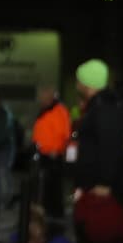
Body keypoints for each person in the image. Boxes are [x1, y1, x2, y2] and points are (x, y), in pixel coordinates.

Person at [70, 58, 123, 243]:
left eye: (79, 79)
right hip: (93, 184)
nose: (76, 83)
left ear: (87, 83)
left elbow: (108, 149)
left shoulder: (104, 108)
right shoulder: (101, 105)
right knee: (92, 240)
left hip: (100, 187)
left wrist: (103, 183)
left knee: (100, 241)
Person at [32, 85, 73, 220]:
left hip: (52, 156)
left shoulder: (59, 111)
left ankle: (55, 214)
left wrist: (57, 150)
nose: (39, 99)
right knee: (44, 186)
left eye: (42, 96)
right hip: (43, 153)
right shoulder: (46, 110)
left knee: (53, 187)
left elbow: (65, 134)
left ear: (49, 97)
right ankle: (46, 212)